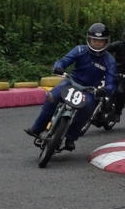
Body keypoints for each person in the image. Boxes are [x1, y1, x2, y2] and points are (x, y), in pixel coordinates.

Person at [24, 23, 117, 151]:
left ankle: (71, 138)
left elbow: (111, 83)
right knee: (52, 97)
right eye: (94, 40)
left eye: (100, 41)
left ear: (106, 42)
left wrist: (106, 90)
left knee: (88, 108)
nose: (97, 43)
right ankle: (37, 128)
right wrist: (58, 67)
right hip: (71, 82)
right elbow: (63, 61)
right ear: (89, 40)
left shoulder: (109, 61)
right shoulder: (80, 50)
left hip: (89, 90)